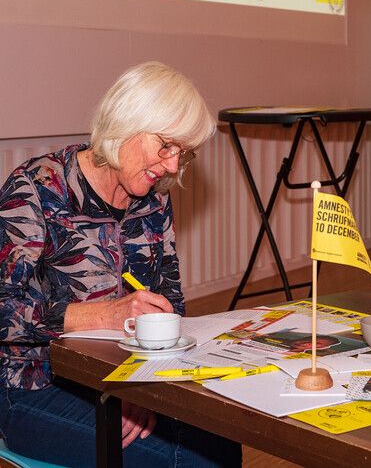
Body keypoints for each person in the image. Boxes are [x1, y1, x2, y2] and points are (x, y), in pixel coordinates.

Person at [0, 62, 242, 466]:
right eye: (166, 146)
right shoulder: (36, 190)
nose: (171, 166)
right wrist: (98, 315)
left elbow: (171, 303)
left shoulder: (154, 196)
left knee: (221, 442)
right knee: (188, 459)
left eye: (182, 153)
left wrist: (146, 389)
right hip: (30, 386)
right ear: (127, 121)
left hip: (125, 381)